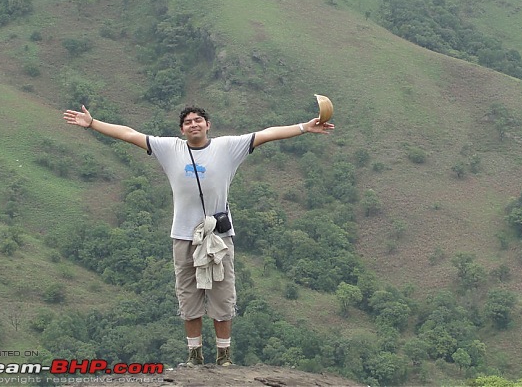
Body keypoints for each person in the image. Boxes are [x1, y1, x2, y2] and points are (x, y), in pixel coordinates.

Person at [63, 104, 333, 367]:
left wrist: (304, 128)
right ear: (182, 129)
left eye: (198, 120)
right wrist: (93, 123)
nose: (194, 124)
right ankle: (194, 354)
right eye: (188, 121)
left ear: (208, 125)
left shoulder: (227, 147)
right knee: (188, 294)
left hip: (218, 236)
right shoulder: (171, 149)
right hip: (183, 235)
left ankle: (224, 355)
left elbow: (267, 134)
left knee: (223, 293)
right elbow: (128, 133)